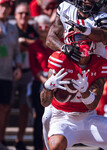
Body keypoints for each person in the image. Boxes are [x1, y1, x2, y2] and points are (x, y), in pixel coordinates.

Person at [40, 31, 107, 150]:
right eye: (79, 37)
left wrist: (85, 92)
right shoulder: (60, 60)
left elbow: (92, 105)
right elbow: (45, 102)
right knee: (56, 145)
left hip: (88, 117)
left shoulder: (100, 64)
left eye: (86, 37)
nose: (83, 41)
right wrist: (47, 87)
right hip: (63, 118)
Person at [43, 1, 107, 149]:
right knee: (47, 115)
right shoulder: (66, 8)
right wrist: (63, 47)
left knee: (91, 109)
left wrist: (87, 30)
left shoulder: (103, 17)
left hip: (93, 70)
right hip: (69, 64)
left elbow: (103, 36)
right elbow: (50, 38)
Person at [11, 2, 38, 150]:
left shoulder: (32, 29)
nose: (23, 16)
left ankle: (19, 140)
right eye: (20, 13)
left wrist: (25, 42)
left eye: (26, 13)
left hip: (28, 74)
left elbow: (38, 43)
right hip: (11, 71)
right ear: (15, 15)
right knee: (5, 107)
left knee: (25, 108)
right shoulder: (11, 28)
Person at [29, 14, 53, 150]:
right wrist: (45, 80)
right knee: (39, 117)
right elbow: (34, 67)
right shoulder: (33, 47)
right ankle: (38, 146)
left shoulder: (55, 45)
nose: (43, 29)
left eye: (46, 26)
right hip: (39, 83)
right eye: (40, 27)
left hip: (54, 83)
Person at [0, 0, 22, 149]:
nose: (4, 9)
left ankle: (1, 140)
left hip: (7, 74)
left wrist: (18, 67)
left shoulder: (13, 27)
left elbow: (17, 52)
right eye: (1, 5)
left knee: (6, 108)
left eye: (7, 6)